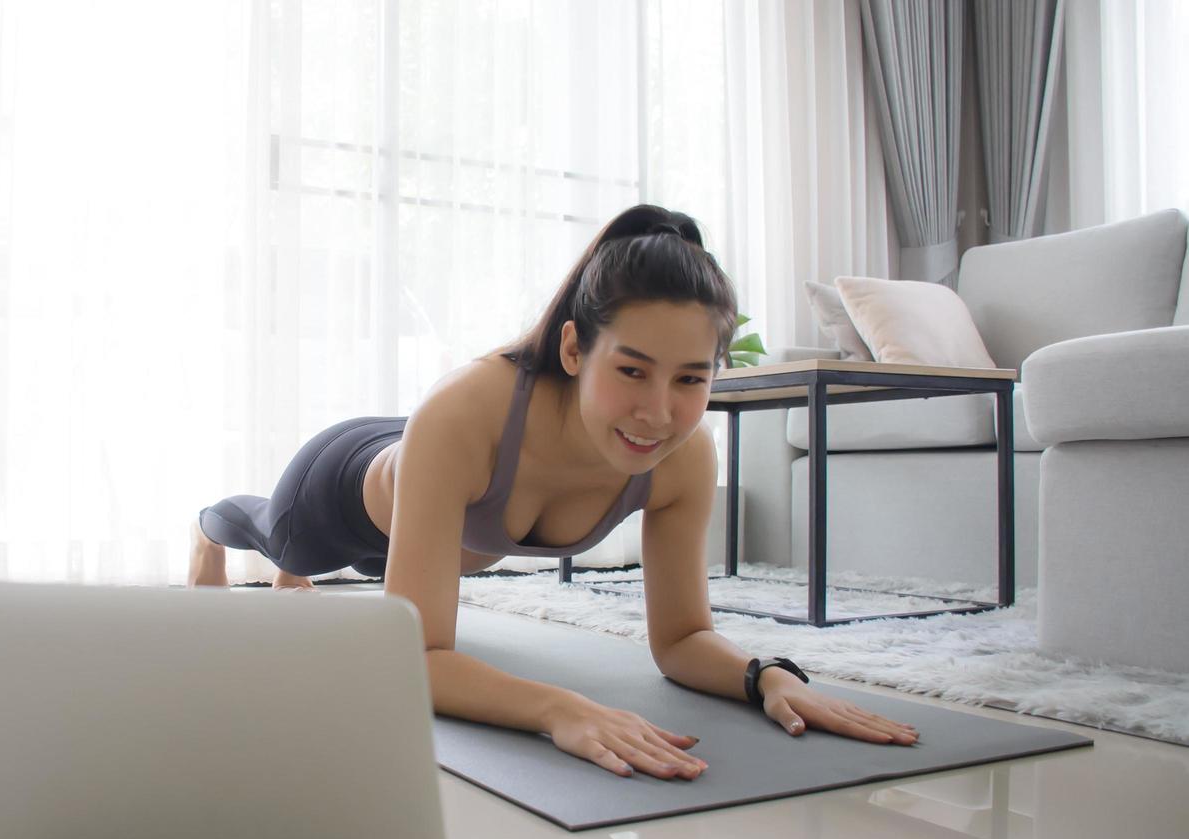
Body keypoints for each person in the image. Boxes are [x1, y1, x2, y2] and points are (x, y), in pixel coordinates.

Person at [190, 204, 919, 780]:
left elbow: (682, 639)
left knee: (407, 579)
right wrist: (556, 709)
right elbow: (413, 655)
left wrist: (767, 678)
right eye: (631, 371)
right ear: (574, 349)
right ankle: (208, 531)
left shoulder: (683, 458)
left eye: (691, 379)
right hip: (343, 488)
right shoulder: (464, 409)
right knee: (274, 537)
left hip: (448, 505)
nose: (659, 412)